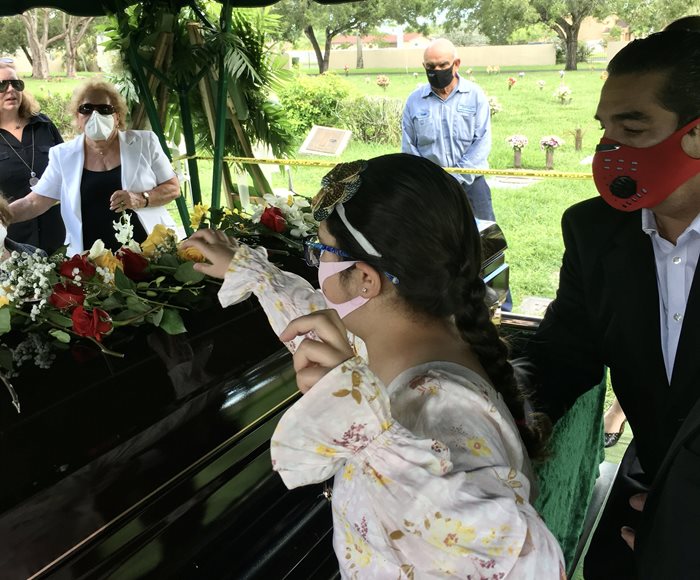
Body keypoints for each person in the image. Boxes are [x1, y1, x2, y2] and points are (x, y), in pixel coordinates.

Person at [181, 153, 565, 577]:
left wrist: (372, 436)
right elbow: (323, 321)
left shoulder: (436, 411)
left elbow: (528, 563)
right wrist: (254, 274)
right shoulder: (415, 337)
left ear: (365, 279)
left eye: (319, 250)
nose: (316, 263)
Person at [525, 28, 700, 579]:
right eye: (606, 129)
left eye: (633, 127)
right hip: (648, 485)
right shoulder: (593, 232)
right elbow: (563, 353)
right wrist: (478, 406)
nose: (610, 151)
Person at [7, 79, 180, 256]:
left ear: (117, 116)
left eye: (105, 110)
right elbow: (34, 202)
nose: (94, 115)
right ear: (77, 118)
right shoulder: (63, 155)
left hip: (149, 253)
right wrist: (4, 214)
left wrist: (141, 198)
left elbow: (173, 188)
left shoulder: (145, 143)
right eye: (86, 109)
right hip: (91, 264)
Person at [401, 38, 495, 223]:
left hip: (472, 183)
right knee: (434, 241)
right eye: (431, 66)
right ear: (424, 66)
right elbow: (409, 148)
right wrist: (433, 180)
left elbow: (481, 142)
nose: (436, 71)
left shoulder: (475, 96)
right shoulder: (414, 101)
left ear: (456, 64)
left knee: (486, 241)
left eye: (443, 65)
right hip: (431, 187)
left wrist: (455, 177)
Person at [0, 60, 65, 254]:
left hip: (57, 231)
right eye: (2, 85)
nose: (11, 90)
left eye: (16, 83)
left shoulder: (43, 124)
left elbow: (68, 168)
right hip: (12, 238)